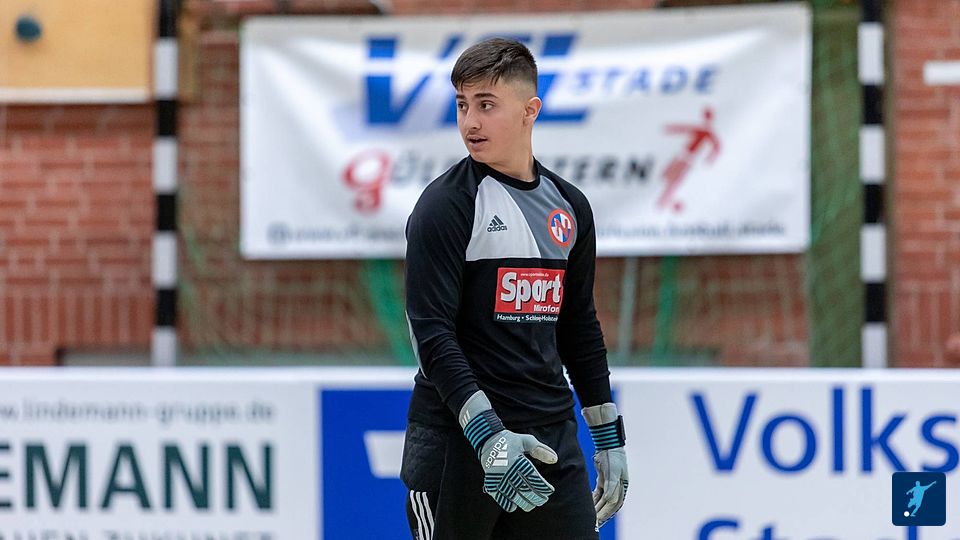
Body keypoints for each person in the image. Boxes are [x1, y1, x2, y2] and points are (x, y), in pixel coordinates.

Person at [400, 37, 629, 540]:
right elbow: (431, 335)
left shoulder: (569, 207)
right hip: (460, 439)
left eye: (486, 105)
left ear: (530, 111)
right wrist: (488, 437)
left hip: (551, 440)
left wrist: (608, 436)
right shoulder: (444, 207)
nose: (470, 122)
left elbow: (579, 327)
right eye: (462, 105)